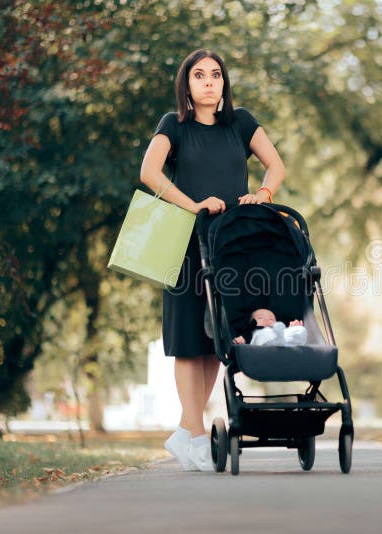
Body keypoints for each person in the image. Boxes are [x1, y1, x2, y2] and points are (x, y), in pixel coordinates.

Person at [139, 49, 285, 471]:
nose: (208, 82)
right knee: (188, 341)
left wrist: (263, 194)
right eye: (199, 75)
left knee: (214, 342)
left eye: (215, 75)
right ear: (186, 84)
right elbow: (149, 173)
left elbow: (275, 165)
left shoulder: (241, 123)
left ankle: (185, 433)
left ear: (224, 83)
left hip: (231, 247)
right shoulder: (174, 126)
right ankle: (196, 435)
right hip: (186, 244)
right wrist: (194, 205)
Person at [231, 308, 307, 346]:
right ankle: (276, 340)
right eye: (260, 318)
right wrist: (241, 339)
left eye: (271, 319)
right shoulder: (253, 330)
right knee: (261, 334)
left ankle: (283, 341)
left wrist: (293, 328)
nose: (267, 319)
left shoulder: (279, 328)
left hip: (283, 341)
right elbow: (246, 336)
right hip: (260, 345)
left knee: (301, 330)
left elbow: (285, 332)